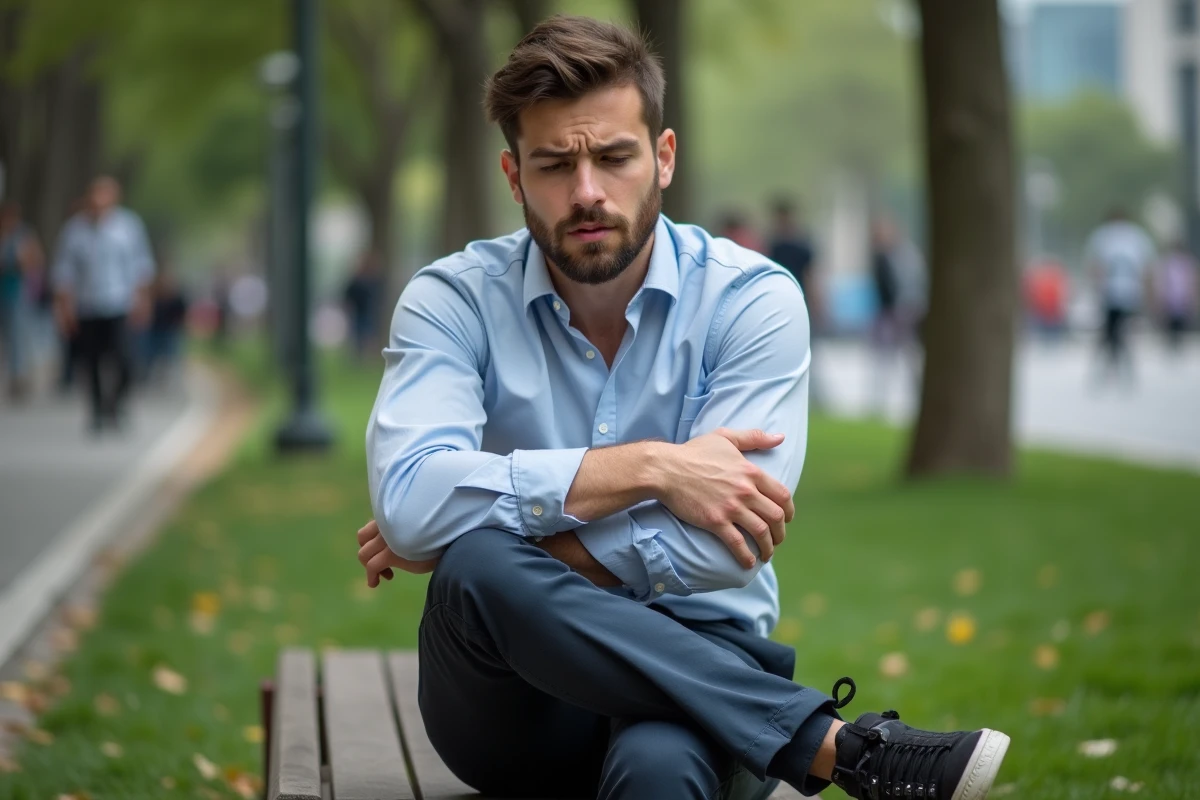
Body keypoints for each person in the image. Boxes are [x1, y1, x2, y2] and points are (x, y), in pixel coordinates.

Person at [355, 16, 1009, 800]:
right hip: (511, 703)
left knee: (495, 583)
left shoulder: (750, 301)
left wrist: (488, 540)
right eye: (555, 164)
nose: (588, 191)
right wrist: (655, 468)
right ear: (513, 176)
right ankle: (835, 746)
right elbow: (410, 504)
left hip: (705, 653)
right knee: (477, 569)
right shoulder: (449, 301)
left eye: (614, 156)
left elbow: (724, 545)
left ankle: (819, 744)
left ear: (663, 158)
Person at [52, 176, 154, 433]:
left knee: (126, 360)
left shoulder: (129, 226)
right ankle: (97, 412)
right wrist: (65, 308)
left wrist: (143, 301)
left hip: (120, 303)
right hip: (87, 306)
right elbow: (64, 271)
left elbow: (141, 265)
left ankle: (114, 404)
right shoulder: (73, 231)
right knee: (92, 361)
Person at [1084, 208, 1156, 383]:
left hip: (1115, 292)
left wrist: (1096, 288)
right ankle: (1120, 369)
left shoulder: (1103, 236)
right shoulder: (1137, 236)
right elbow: (1147, 268)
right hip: (1127, 293)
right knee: (1118, 333)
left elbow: (1095, 266)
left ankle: (1110, 370)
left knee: (1112, 333)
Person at [0, 202, 44, 401]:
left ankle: (19, 378)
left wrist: (22, 259)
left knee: (18, 335)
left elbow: (35, 260)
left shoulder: (23, 235)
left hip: (17, 291)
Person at [1155, 241, 1197, 351]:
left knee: (1181, 323)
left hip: (1182, 298)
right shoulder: (1168, 263)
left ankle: (1178, 344)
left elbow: (1191, 281)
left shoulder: (1186, 263)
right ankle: (1172, 344)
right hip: (1171, 298)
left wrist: (1192, 297)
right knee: (1171, 323)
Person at [343, 249, 383, 359]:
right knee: (359, 334)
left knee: (368, 334)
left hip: (368, 312)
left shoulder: (373, 279)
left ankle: (367, 356)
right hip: (358, 312)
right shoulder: (357, 280)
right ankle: (360, 356)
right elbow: (348, 295)